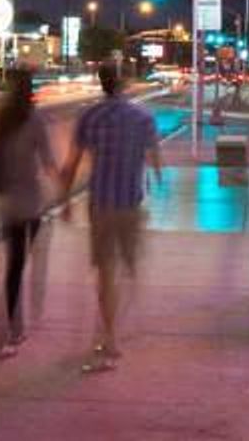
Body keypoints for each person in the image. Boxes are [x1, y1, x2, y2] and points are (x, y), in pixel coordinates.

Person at [61, 62, 160, 373]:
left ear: (101, 82)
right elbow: (155, 156)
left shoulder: (89, 116)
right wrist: (154, 174)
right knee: (129, 270)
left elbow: (71, 164)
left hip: (101, 204)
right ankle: (111, 332)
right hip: (130, 203)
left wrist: (65, 202)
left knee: (105, 271)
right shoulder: (142, 117)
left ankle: (109, 334)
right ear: (124, 82)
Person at [0, 69, 58, 358]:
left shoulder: (2, 119)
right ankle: (13, 328)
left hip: (8, 203)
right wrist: (63, 192)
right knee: (25, 263)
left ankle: (16, 327)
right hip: (31, 201)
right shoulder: (35, 118)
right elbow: (48, 161)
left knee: (13, 266)